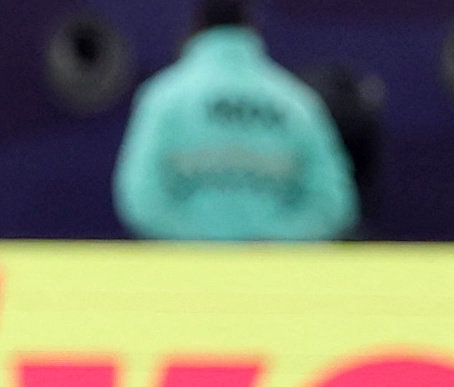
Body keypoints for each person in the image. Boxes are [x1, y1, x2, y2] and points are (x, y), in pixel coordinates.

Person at [113, 0, 357, 242]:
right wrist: (275, 244)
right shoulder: (297, 102)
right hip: (275, 275)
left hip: (186, 274)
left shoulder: (164, 98)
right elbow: (331, 204)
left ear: (195, 28)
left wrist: (199, 245)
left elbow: (141, 197)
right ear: (252, 28)